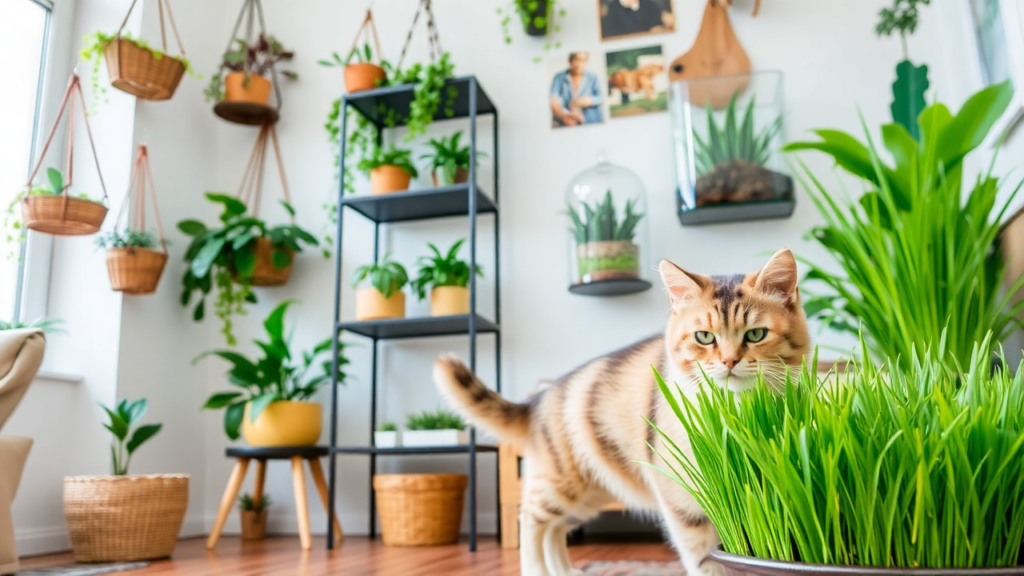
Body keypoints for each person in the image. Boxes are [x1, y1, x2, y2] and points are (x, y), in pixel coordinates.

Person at [550, 52, 603, 128]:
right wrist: (563, 116)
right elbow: (553, 99)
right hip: (568, 122)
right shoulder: (559, 77)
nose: (579, 64)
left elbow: (602, 98)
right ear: (570, 61)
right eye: (576, 60)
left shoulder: (593, 77)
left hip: (592, 122)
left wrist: (588, 100)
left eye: (583, 60)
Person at [600, 0, 674, 39]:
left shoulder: (648, 4)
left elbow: (659, 23)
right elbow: (611, 34)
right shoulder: (612, 9)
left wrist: (660, 29)